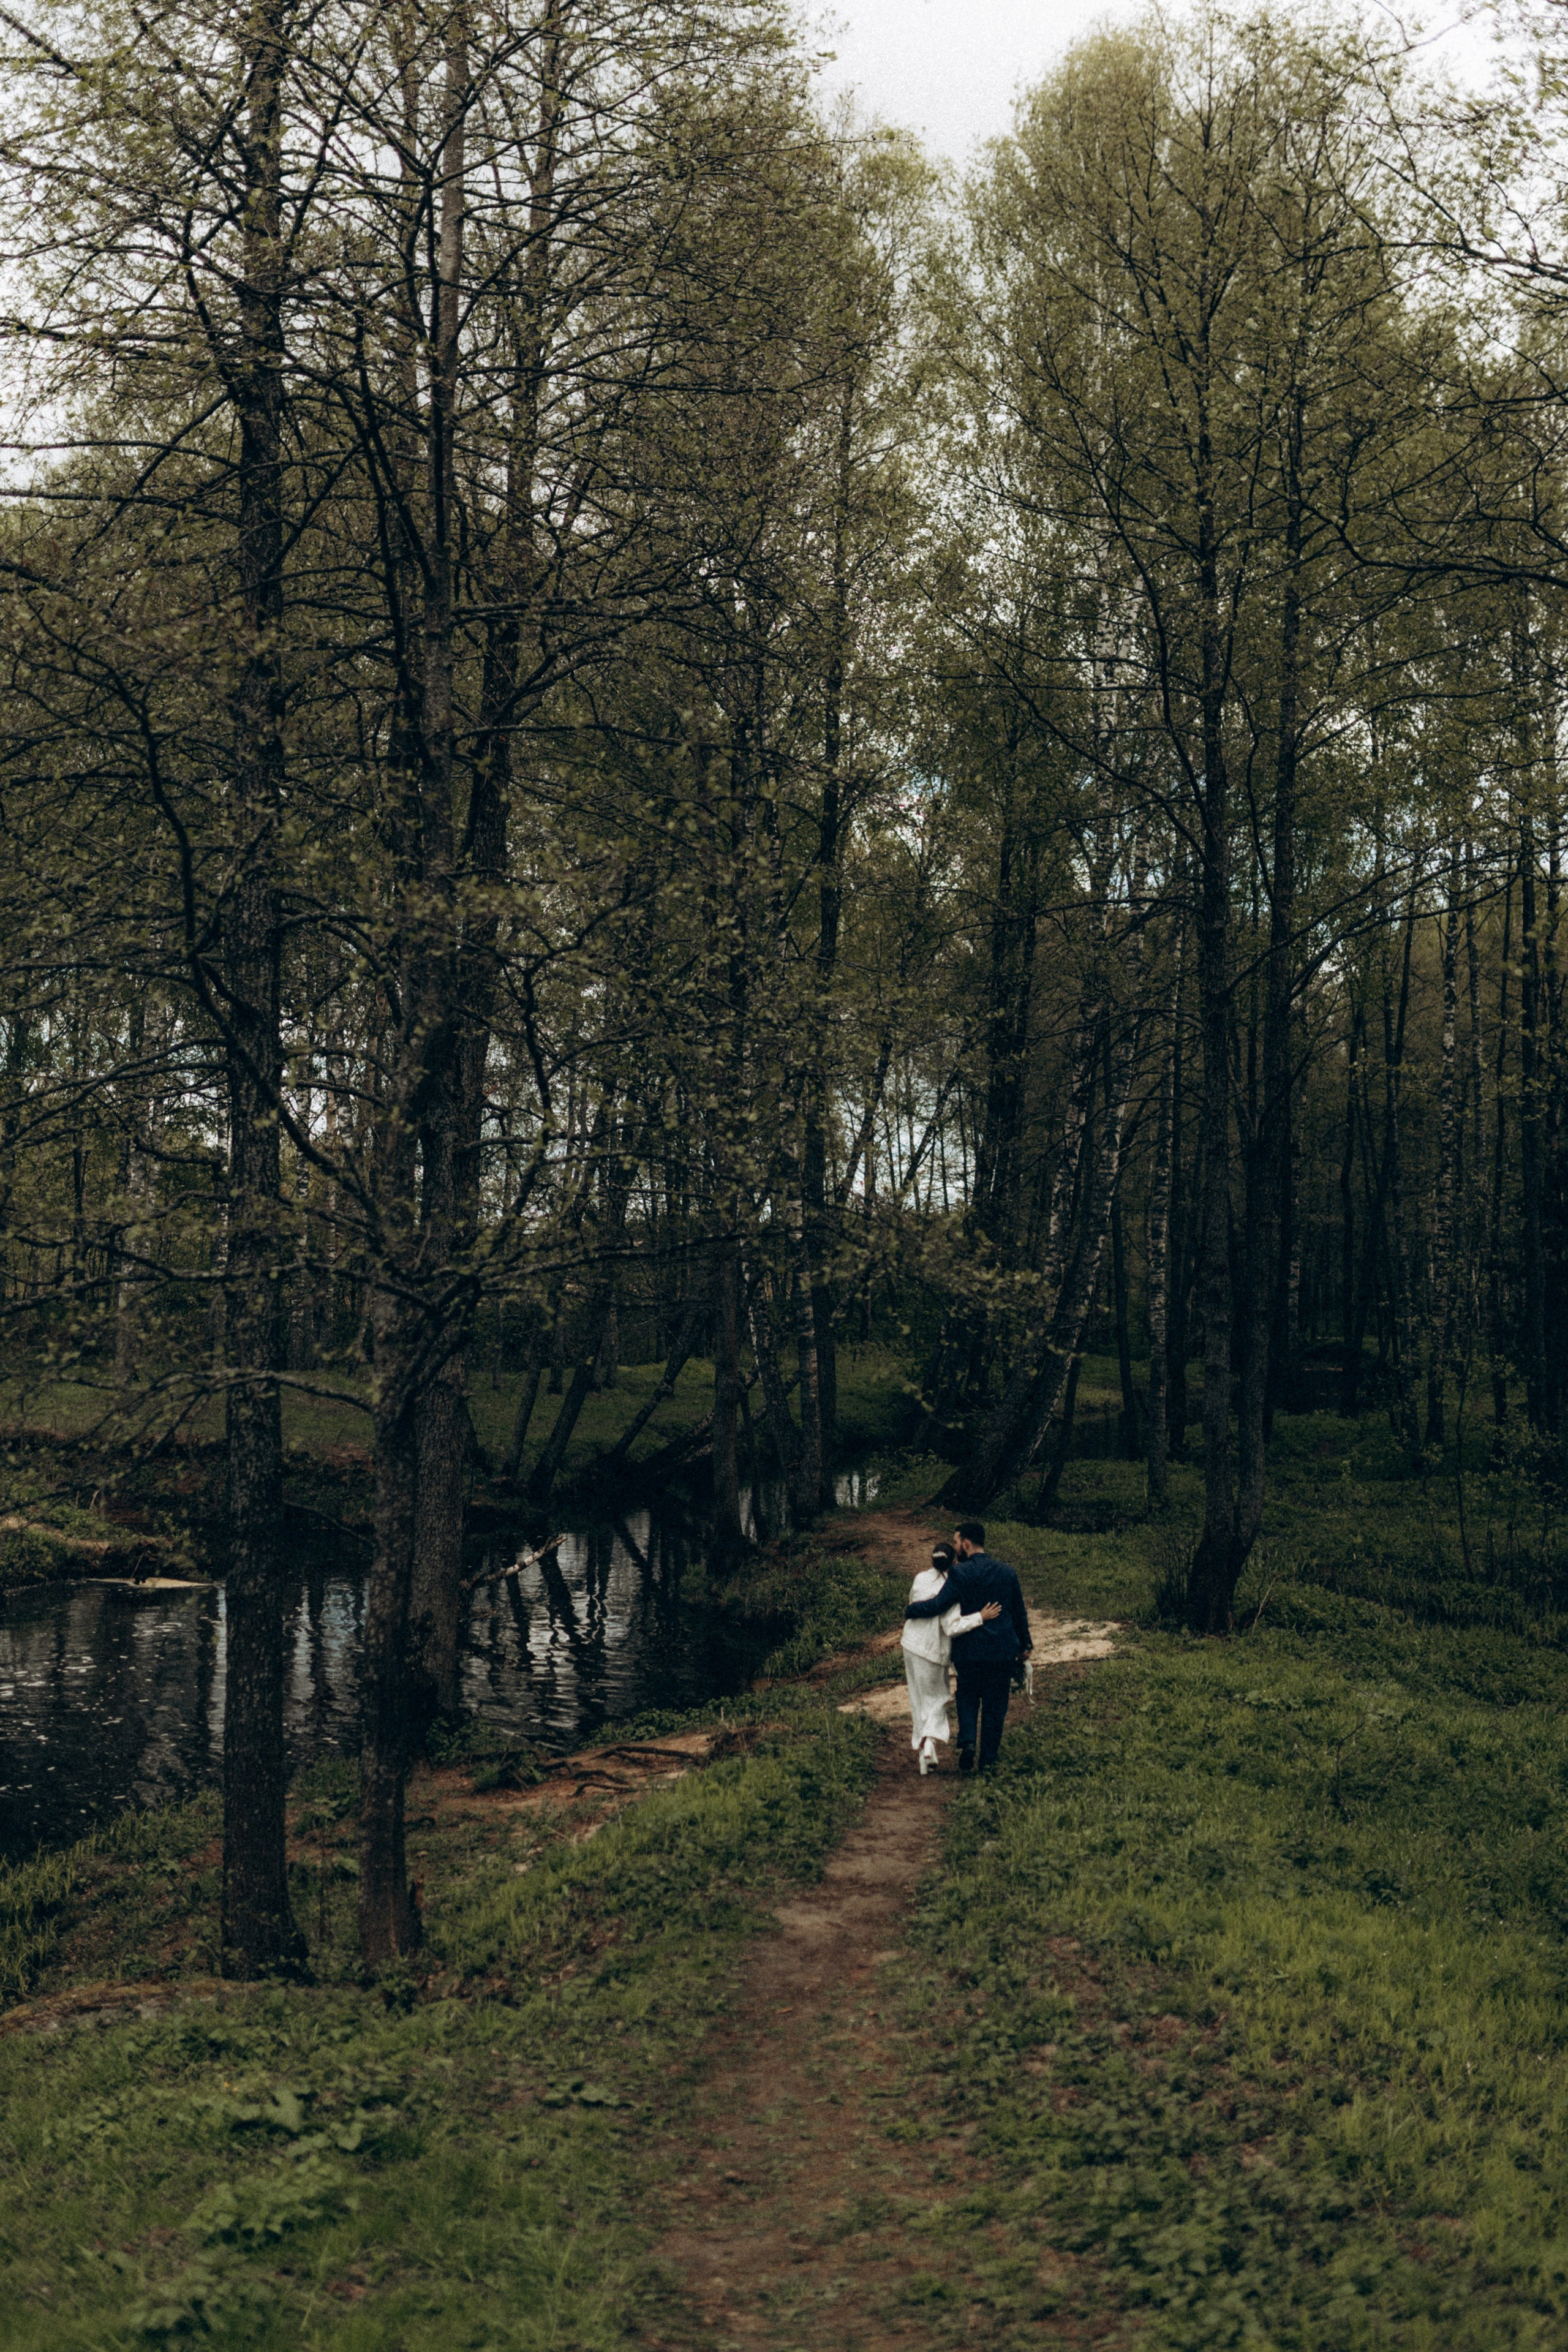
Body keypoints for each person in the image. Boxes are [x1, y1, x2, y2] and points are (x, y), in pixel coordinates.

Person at [903, 1520, 1031, 1773]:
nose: (955, 1547)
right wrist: (1026, 1643)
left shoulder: (960, 1574)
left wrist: (912, 1610)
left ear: (967, 1543)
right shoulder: (1007, 1572)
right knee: (995, 1705)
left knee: (968, 1696)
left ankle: (969, 1741)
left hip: (970, 1651)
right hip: (1002, 1651)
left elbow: (939, 1604)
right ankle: (988, 1761)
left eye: (956, 1542)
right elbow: (1019, 1611)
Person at [901, 1544, 1001, 1774]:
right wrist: (980, 1617)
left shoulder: (920, 1579)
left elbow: (914, 1606)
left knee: (917, 1700)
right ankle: (929, 1741)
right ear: (953, 1563)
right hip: (931, 1651)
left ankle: (924, 1759)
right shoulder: (952, 1587)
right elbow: (952, 1627)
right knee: (937, 1698)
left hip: (910, 1644)